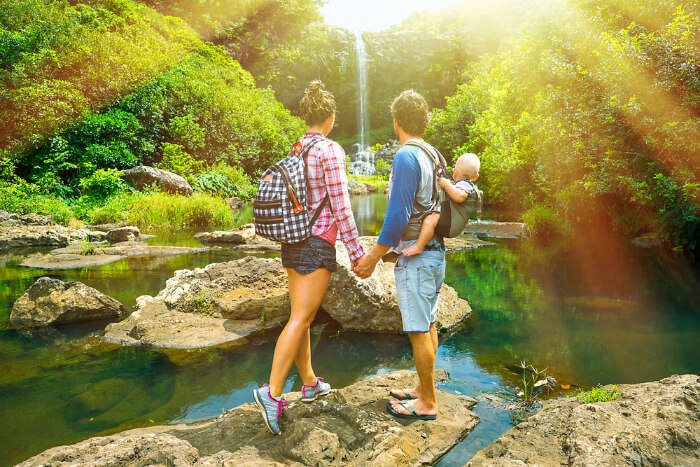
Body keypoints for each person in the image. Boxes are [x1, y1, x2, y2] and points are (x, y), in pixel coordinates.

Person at [253, 81, 365, 435]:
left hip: (293, 238)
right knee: (301, 318)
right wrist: (357, 251)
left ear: (305, 117)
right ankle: (271, 394)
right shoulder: (330, 150)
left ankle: (310, 383)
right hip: (317, 241)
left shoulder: (297, 147)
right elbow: (341, 206)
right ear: (330, 119)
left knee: (300, 316)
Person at [353, 89, 444, 420]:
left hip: (416, 259)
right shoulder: (433, 154)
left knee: (418, 329)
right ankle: (423, 389)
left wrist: (373, 256)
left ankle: (428, 402)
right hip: (435, 253)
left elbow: (397, 215)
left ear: (396, 122)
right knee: (429, 321)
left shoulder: (406, 156)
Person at [401, 153, 481, 257]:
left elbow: (460, 197)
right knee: (432, 217)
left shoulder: (464, 184)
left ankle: (419, 246)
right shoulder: (468, 185)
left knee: (430, 220)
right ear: (476, 177)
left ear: (455, 172)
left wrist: (446, 184)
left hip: (452, 225)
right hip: (454, 224)